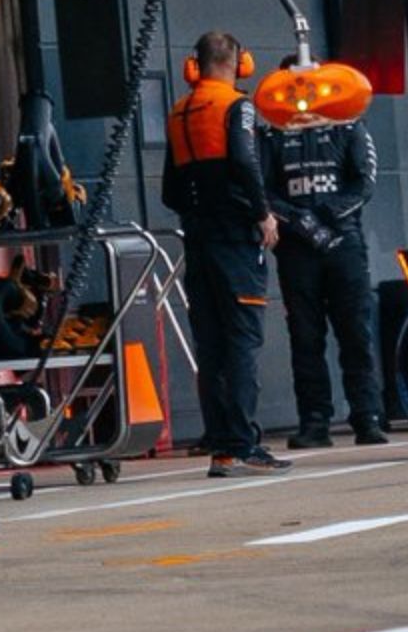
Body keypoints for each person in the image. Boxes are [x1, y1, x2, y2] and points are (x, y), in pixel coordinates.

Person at [162, 31, 291, 477]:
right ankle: (242, 445)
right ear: (239, 63)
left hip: (198, 241)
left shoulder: (178, 112)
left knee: (211, 345)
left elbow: (169, 191)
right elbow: (244, 160)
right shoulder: (238, 107)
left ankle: (221, 444)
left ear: (194, 65)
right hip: (235, 241)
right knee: (242, 343)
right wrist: (262, 213)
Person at [261, 80, 387, 448]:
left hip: (343, 243)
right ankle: (315, 422)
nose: (301, 95)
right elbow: (261, 189)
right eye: (292, 87)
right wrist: (298, 220)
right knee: (305, 337)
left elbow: (364, 183)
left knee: (356, 332)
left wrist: (325, 215)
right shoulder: (270, 135)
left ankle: (367, 417)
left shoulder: (348, 126)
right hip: (296, 249)